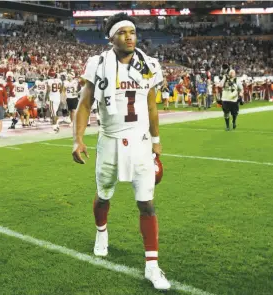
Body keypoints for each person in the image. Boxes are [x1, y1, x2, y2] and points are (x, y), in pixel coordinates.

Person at [72, 13, 171, 291]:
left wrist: (156, 139)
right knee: (104, 195)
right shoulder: (98, 63)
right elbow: (84, 104)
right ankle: (101, 233)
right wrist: (78, 139)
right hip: (109, 140)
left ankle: (152, 265)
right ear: (111, 37)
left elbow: (151, 105)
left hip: (139, 142)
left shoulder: (149, 64)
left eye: (133, 32)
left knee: (147, 203)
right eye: (123, 32)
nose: (130, 36)